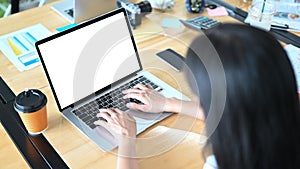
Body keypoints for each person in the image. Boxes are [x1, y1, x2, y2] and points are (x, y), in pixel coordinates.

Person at [94, 23, 300, 169]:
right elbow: (240, 114)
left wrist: (127, 142)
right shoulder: (282, 120)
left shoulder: (227, 162)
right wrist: (169, 102)